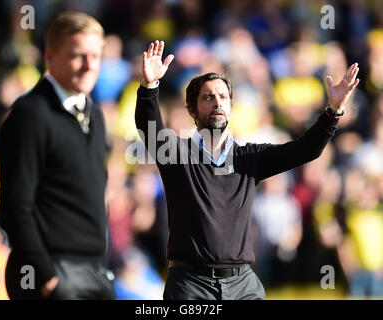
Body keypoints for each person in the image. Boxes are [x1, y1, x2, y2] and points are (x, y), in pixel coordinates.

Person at [135, 40, 360, 300]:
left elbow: (307, 149)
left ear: (231, 107)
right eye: (207, 97)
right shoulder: (177, 155)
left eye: (223, 97)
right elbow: (148, 127)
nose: (217, 102)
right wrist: (149, 86)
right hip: (191, 285)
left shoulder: (249, 157)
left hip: (243, 285)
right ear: (192, 111)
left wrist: (334, 111)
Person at [0, 12, 115, 300]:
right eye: (78, 56)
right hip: (49, 275)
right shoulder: (29, 114)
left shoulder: (96, 116)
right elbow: (15, 208)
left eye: (95, 56)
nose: (89, 66)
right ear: (50, 56)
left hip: (96, 271)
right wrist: (46, 277)